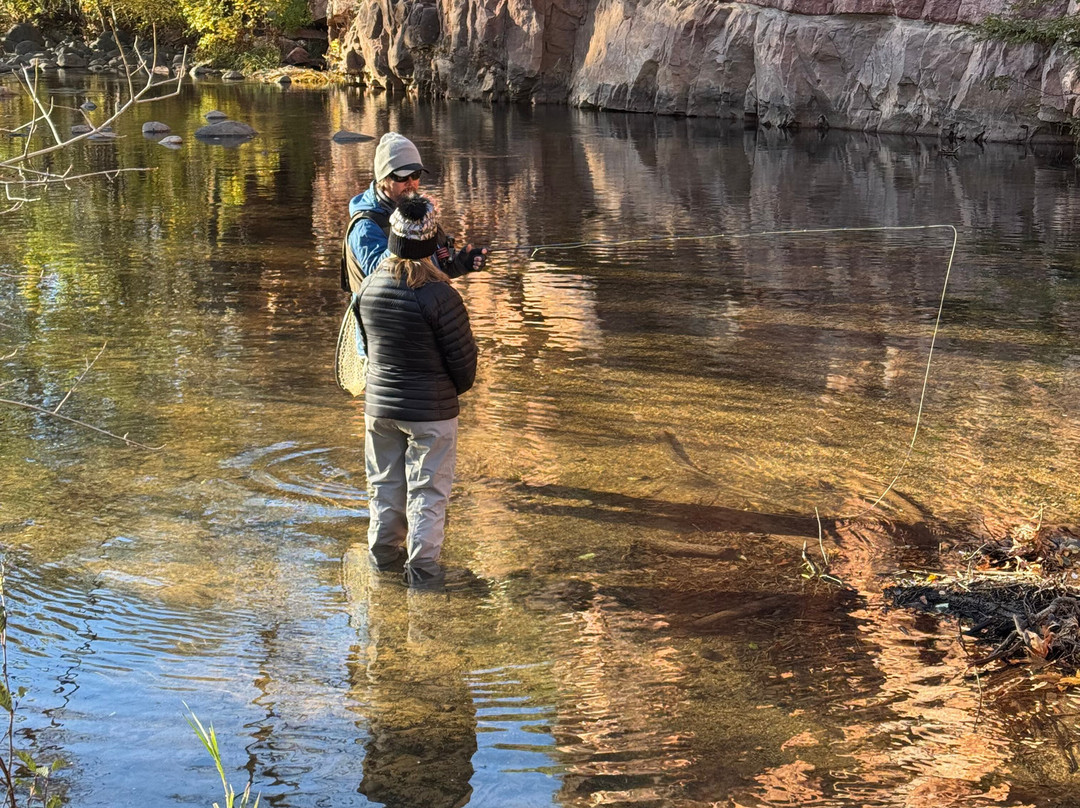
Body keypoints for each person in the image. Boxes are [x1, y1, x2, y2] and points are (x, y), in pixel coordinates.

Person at [357, 193, 478, 586]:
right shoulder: (441, 296)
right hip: (431, 413)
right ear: (429, 246)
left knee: (384, 486)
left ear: (393, 240)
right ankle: (424, 574)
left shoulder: (369, 289)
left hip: (379, 408)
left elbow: (364, 349)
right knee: (428, 493)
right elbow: (464, 366)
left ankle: (382, 562)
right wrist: (447, 393)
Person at [341, 131, 488, 294]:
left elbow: (431, 269)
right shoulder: (365, 224)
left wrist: (460, 265)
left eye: (416, 174)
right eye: (402, 177)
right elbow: (377, 275)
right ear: (384, 179)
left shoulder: (419, 210)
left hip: (421, 308)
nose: (411, 183)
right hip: (385, 316)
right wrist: (406, 228)